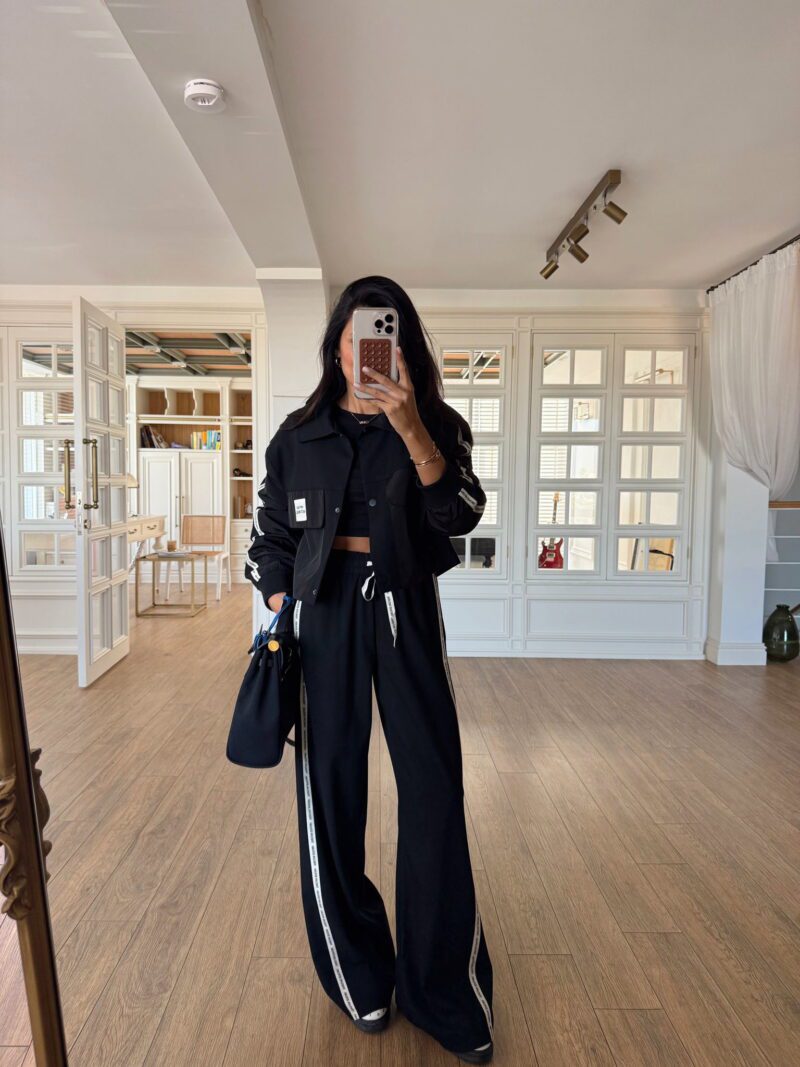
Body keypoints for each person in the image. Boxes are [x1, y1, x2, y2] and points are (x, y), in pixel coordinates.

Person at [245, 276, 495, 1064]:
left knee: (433, 790)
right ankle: (359, 973)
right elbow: (269, 536)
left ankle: (442, 987)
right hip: (323, 617)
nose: (367, 355)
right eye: (357, 341)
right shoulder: (297, 437)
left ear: (402, 347)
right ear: (338, 349)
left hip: (404, 607)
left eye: (382, 339)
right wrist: (284, 598)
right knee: (330, 796)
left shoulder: (437, 424)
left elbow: (459, 514)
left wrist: (411, 426)